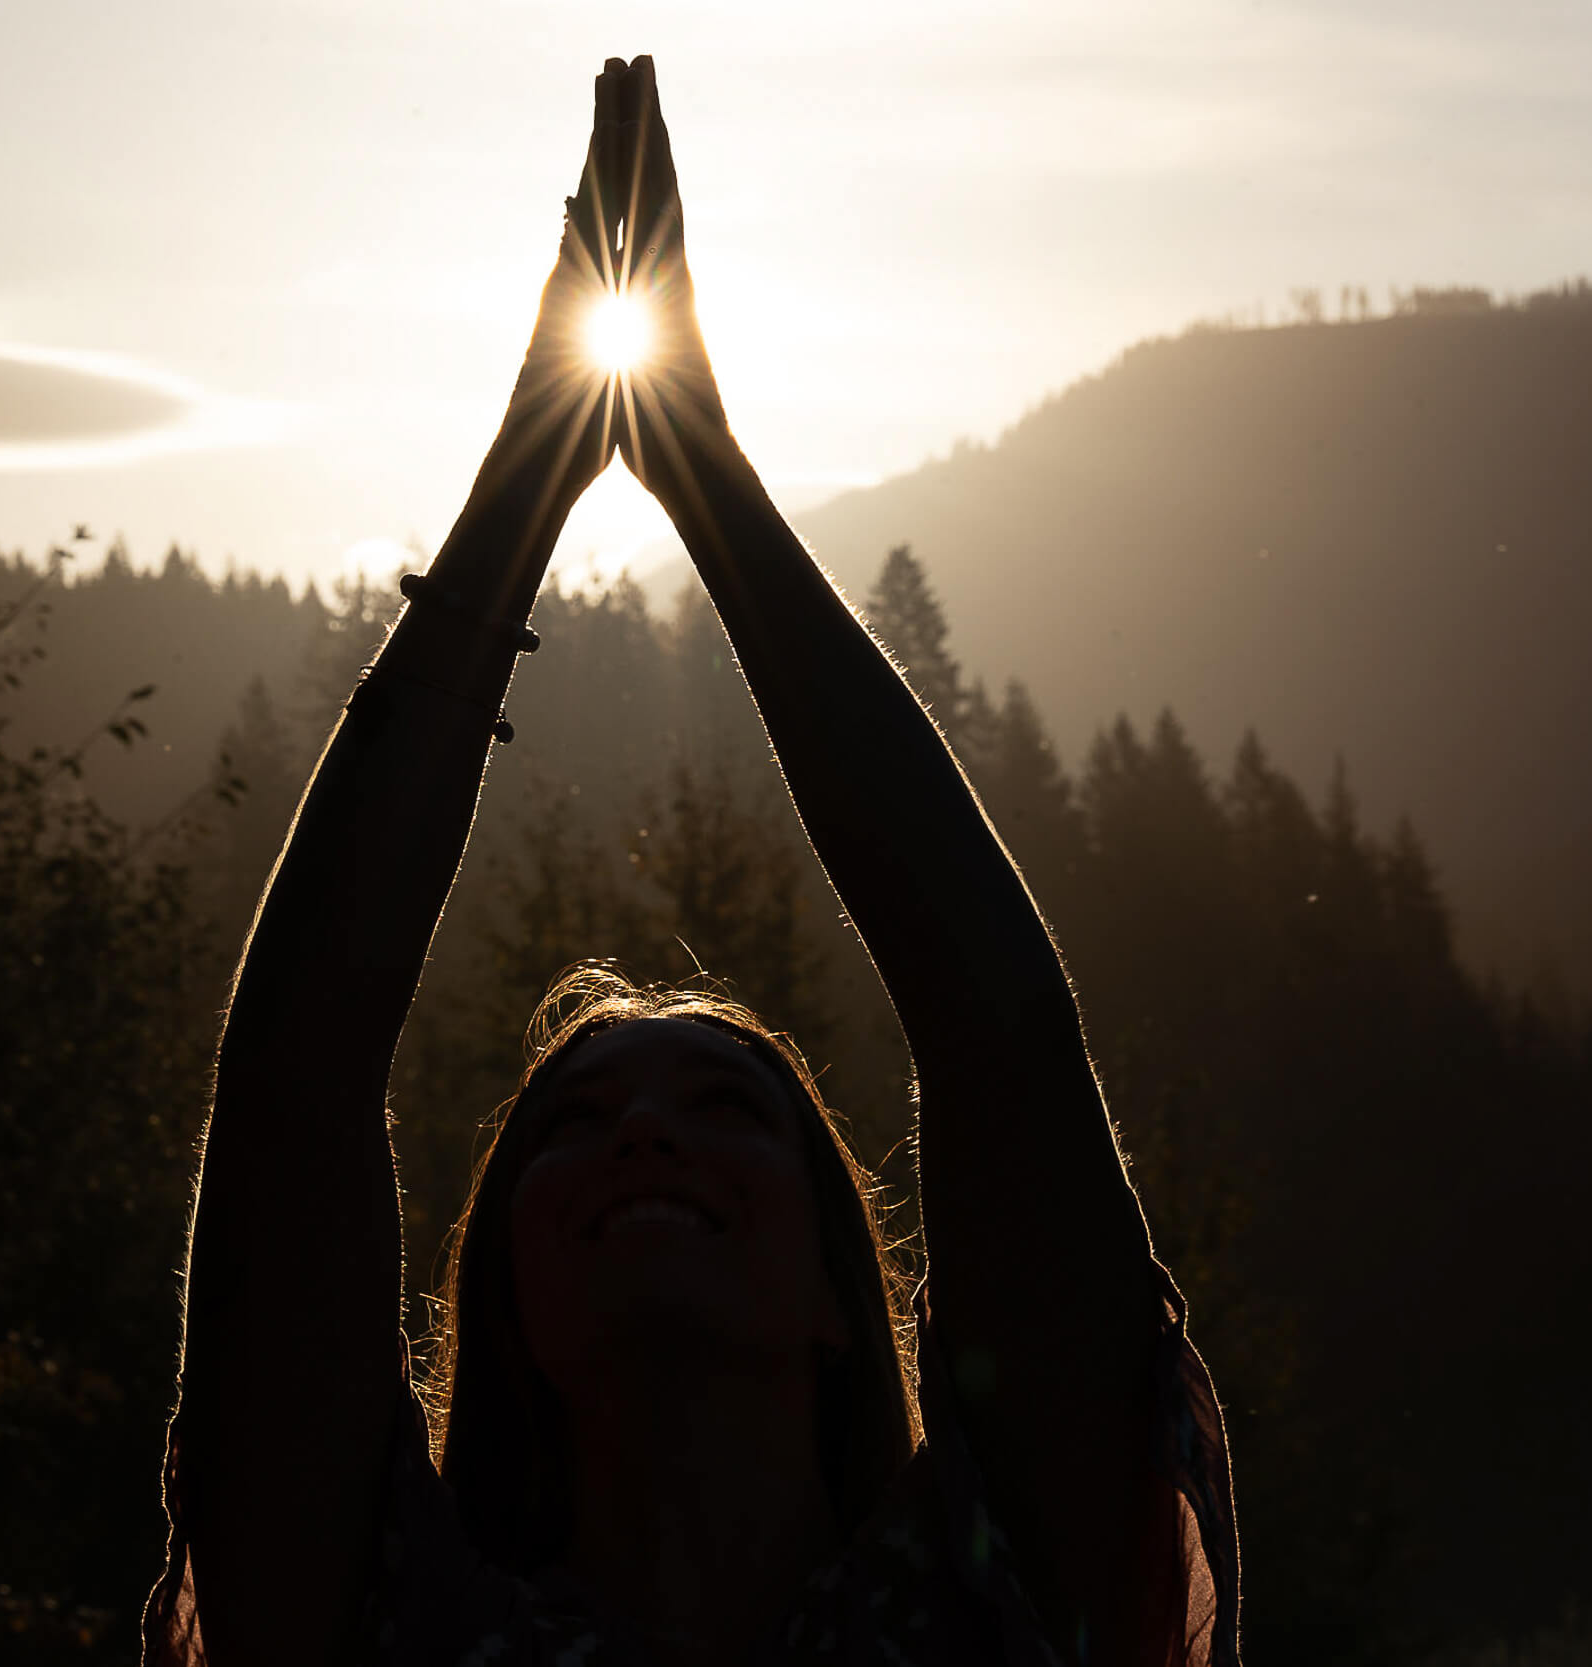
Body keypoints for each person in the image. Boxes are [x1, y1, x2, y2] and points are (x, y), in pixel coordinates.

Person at [144, 56, 1238, 1667]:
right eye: (571, 1130)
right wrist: (528, 476)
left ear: (834, 1292)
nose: (643, 1139)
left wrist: (710, 483)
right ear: (504, 1286)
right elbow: (293, 1091)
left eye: (725, 1112)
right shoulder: (380, 1632)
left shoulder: (1005, 1609)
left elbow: (1000, 1038)